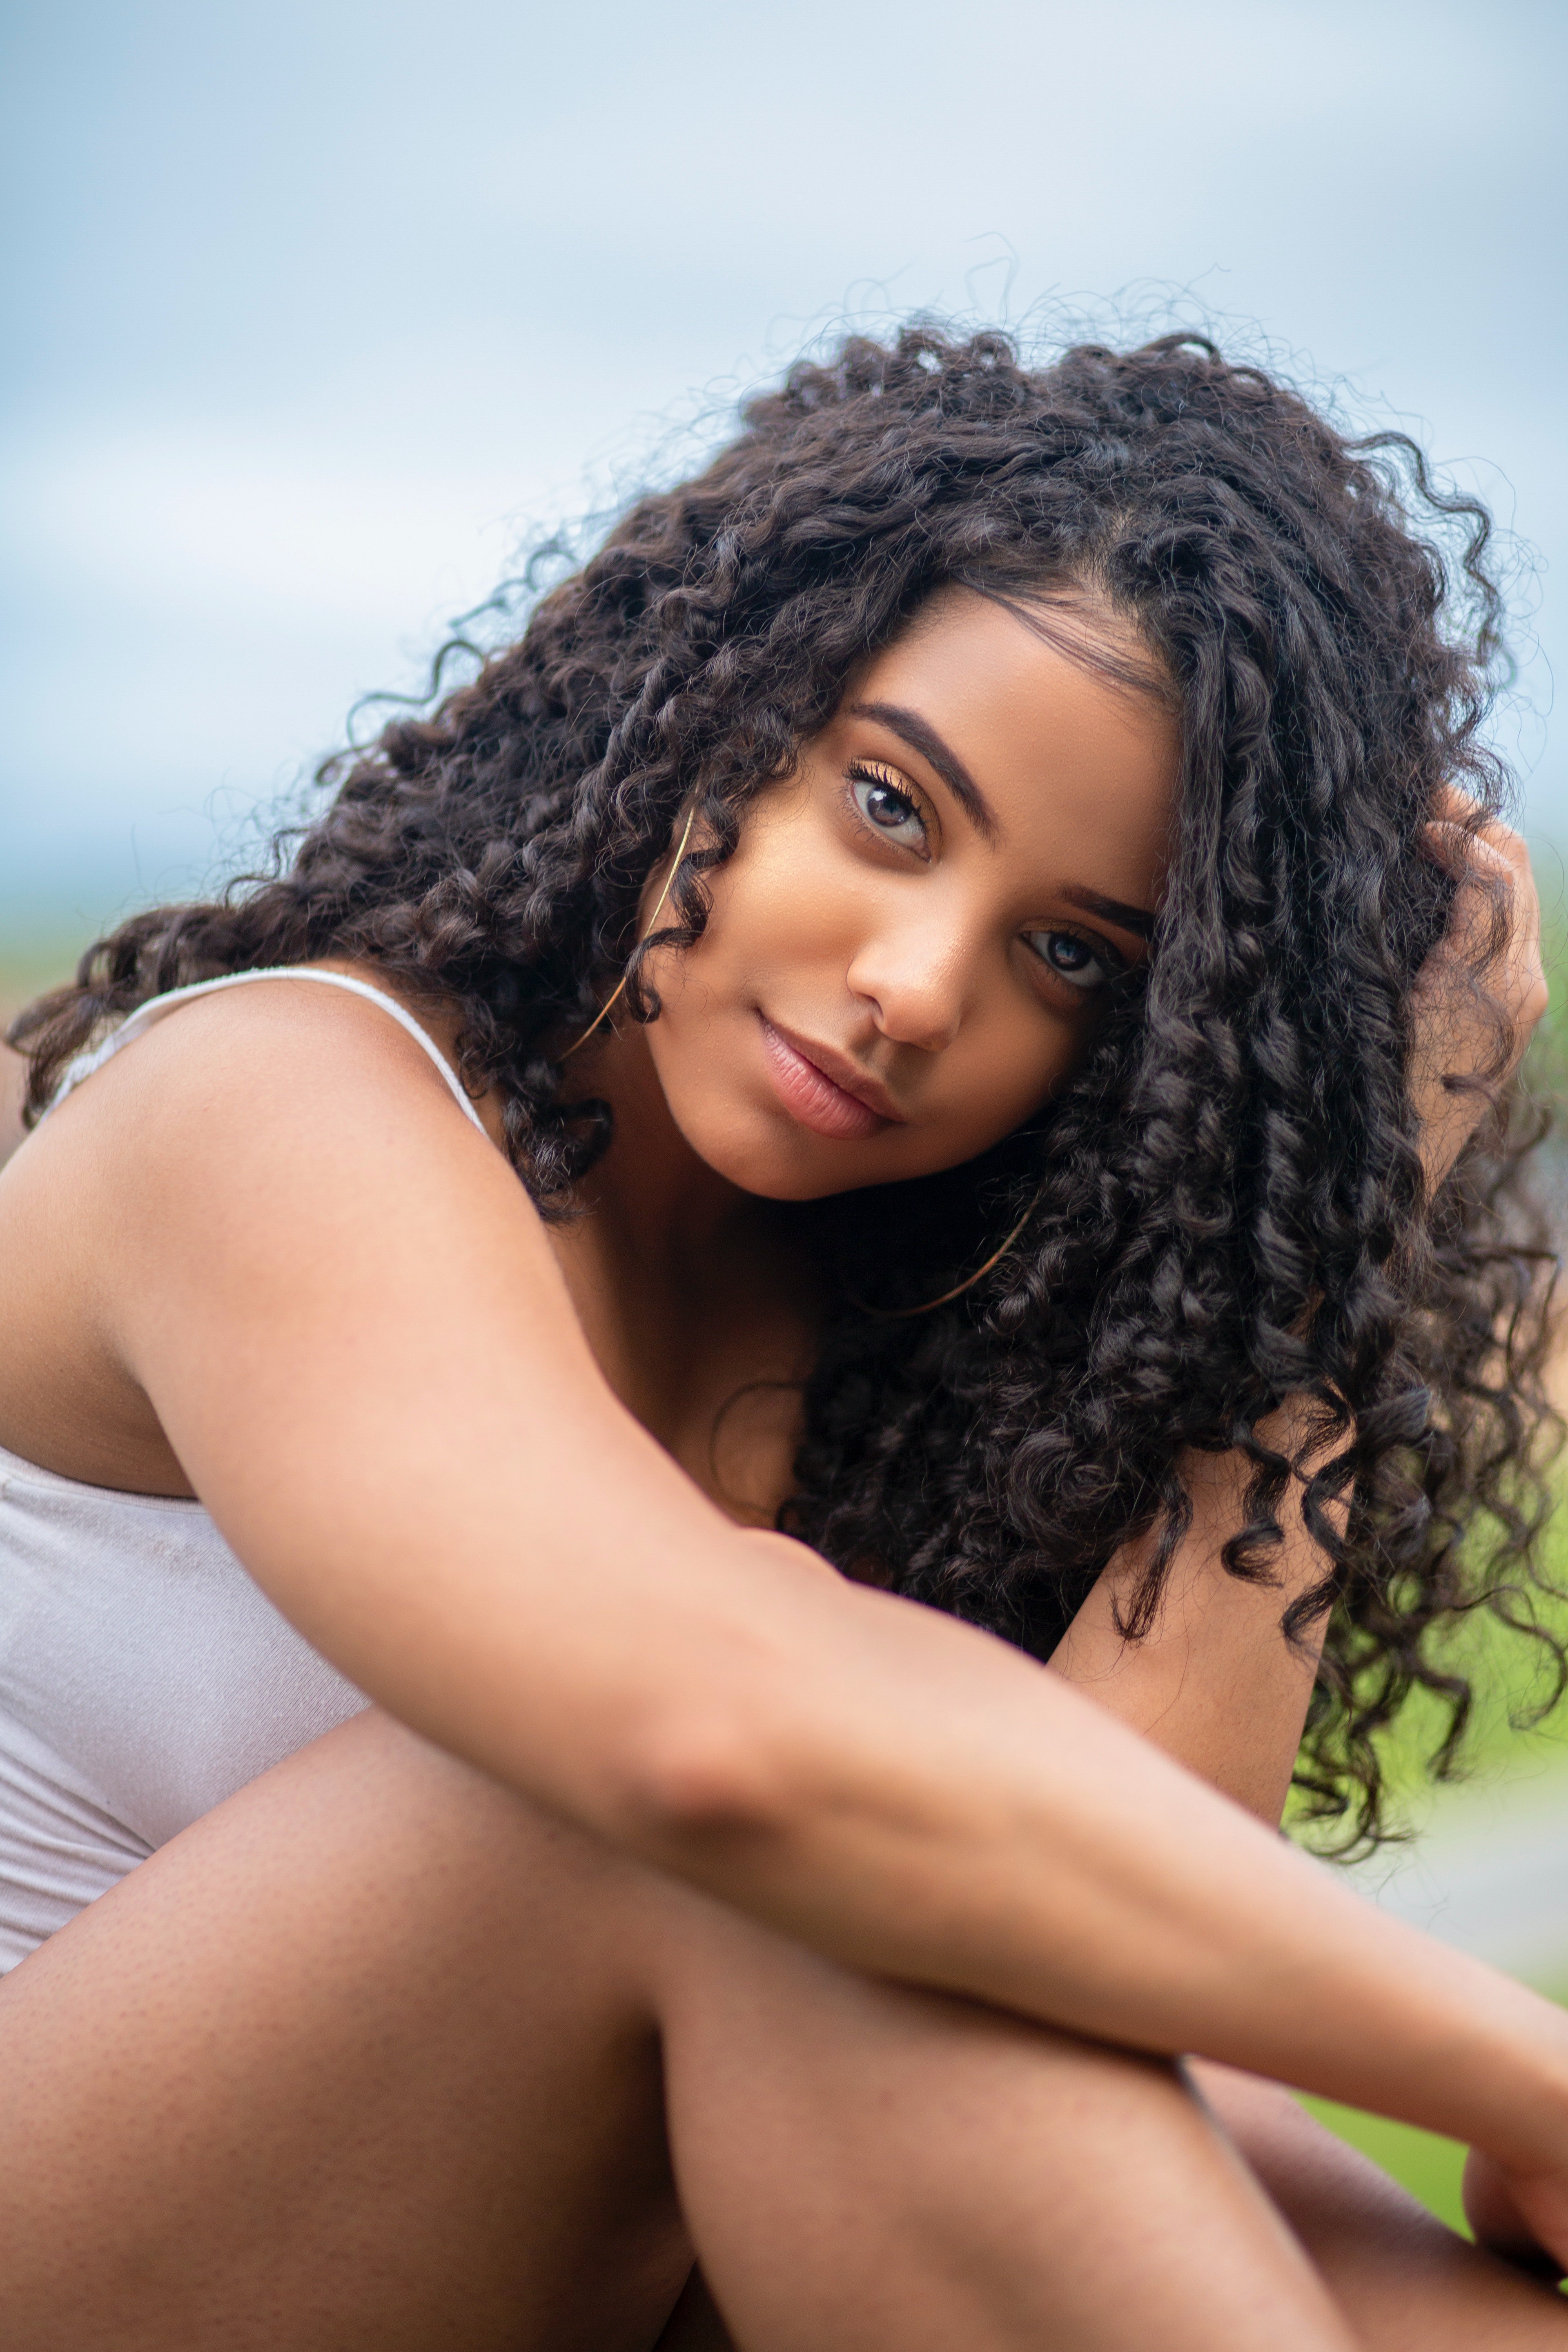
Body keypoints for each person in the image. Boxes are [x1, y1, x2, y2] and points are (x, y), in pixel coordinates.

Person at [1, 323, 1565, 2352]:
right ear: (714, 713)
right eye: (894, 809)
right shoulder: (288, 1103)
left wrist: (1341, 1218)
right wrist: (1525, 2082)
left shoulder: (902, 1321)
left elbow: (1097, 1989)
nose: (916, 987)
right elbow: (720, 1743)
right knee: (685, 1816)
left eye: (1076, 955)